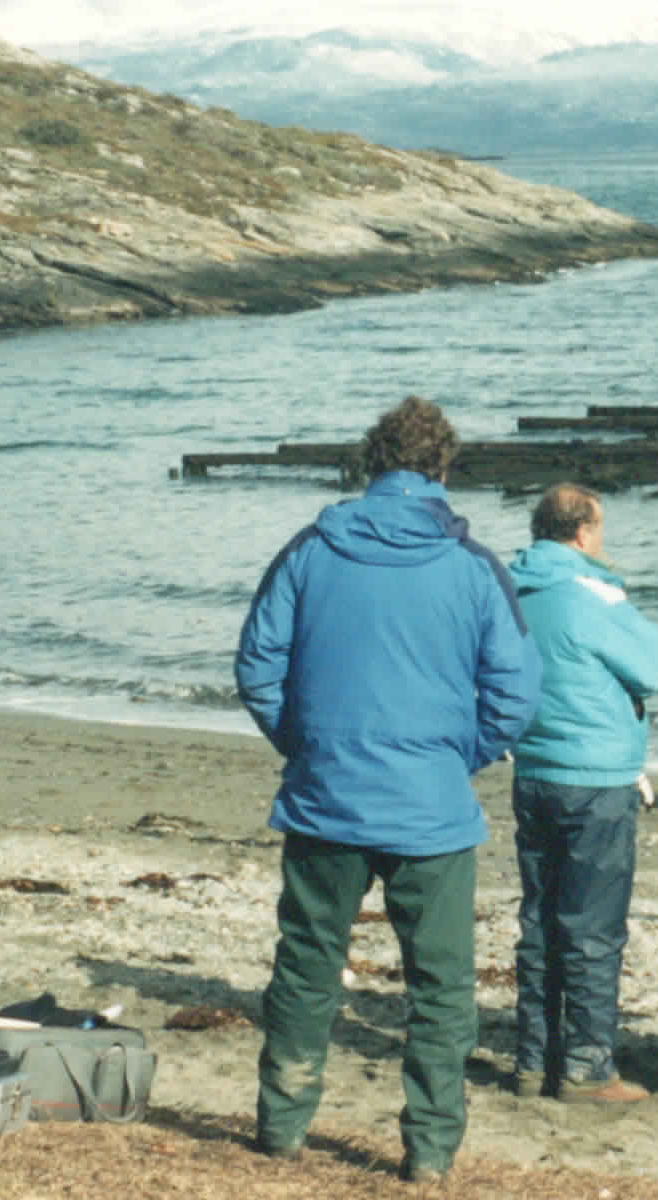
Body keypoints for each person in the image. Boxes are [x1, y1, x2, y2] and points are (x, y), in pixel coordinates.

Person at [234, 396, 542, 1182]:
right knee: (440, 991)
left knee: (306, 969)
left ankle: (282, 1127)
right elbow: (515, 696)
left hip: (329, 795)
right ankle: (430, 1152)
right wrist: (455, 755)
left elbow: (258, 667)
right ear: (442, 469)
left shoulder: (311, 549)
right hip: (427, 810)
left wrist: (308, 742)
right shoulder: (473, 567)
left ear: (373, 461)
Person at [505, 484, 658, 1103]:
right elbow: (651, 667)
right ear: (581, 534)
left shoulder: (514, 590)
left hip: (536, 768)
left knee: (541, 919)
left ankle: (532, 1059)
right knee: (592, 927)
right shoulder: (591, 594)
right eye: (599, 530)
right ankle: (586, 1066)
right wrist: (616, 595)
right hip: (594, 776)